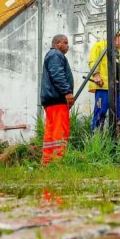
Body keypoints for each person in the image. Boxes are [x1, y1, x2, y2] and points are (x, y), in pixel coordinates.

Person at [88, 31, 120, 130]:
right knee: (100, 111)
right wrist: (96, 75)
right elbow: (93, 61)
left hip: (118, 88)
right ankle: (96, 137)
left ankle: (117, 138)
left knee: (119, 114)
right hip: (103, 86)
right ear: (116, 36)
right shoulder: (99, 46)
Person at [41, 34, 75, 164]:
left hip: (51, 101)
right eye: (65, 43)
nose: (67, 45)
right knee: (60, 131)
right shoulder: (56, 54)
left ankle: (47, 161)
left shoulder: (52, 55)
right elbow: (57, 75)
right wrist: (67, 92)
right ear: (56, 44)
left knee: (50, 132)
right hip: (57, 100)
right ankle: (58, 160)